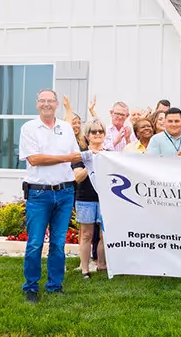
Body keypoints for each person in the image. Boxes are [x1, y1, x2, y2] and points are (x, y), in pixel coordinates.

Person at [18, 89, 82, 303]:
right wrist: (65, 158)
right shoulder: (29, 128)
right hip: (39, 193)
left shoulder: (65, 127)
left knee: (58, 243)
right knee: (35, 243)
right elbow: (34, 159)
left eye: (50, 101)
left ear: (56, 105)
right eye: (42, 101)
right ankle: (31, 287)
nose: (46, 104)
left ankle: (55, 285)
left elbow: (76, 156)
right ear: (37, 104)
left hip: (64, 193)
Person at [73, 119, 108, 278]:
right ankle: (85, 269)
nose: (98, 134)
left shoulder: (109, 154)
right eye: (94, 132)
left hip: (106, 199)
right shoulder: (81, 155)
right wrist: (91, 162)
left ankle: (101, 264)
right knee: (86, 234)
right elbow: (78, 178)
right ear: (87, 135)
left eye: (100, 131)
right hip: (85, 199)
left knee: (104, 234)